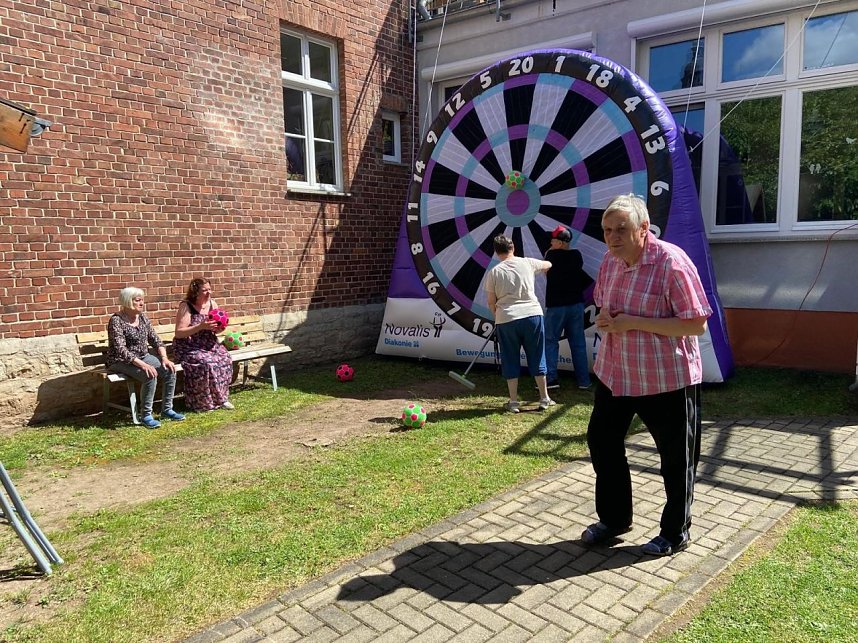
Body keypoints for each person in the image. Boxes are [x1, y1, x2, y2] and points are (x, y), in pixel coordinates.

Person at [581, 194, 712, 557]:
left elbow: (696, 323)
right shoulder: (610, 261)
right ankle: (615, 520)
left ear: (643, 228)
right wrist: (606, 319)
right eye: (607, 230)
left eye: (621, 229)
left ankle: (675, 532)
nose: (612, 237)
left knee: (675, 458)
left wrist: (632, 323)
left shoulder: (671, 262)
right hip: (617, 374)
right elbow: (605, 305)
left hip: (665, 379)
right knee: (602, 443)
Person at [484, 234, 554, 413]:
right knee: (537, 356)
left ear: (496, 251)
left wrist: (497, 314)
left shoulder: (494, 272)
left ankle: (513, 402)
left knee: (510, 358)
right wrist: (546, 263)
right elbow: (548, 264)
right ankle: (544, 398)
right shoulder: (527, 263)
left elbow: (491, 301)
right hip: (532, 315)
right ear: (512, 247)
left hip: (506, 318)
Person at [106, 287, 185, 428]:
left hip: (143, 356)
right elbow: (121, 350)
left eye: (142, 300)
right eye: (138, 300)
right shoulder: (116, 321)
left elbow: (155, 340)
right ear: (128, 301)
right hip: (120, 360)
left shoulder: (142, 317)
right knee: (149, 375)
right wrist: (143, 365)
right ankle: (146, 415)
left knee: (169, 370)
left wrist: (164, 358)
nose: (142, 303)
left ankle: (167, 410)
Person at [173, 278, 235, 412]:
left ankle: (221, 398)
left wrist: (219, 329)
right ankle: (203, 403)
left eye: (209, 289)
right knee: (206, 363)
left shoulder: (213, 304)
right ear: (195, 292)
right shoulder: (186, 306)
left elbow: (216, 327)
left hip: (209, 343)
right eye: (204, 290)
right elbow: (179, 333)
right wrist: (200, 326)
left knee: (225, 358)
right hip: (189, 345)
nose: (208, 293)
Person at [543, 225, 593, 391]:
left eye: (553, 239)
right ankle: (584, 381)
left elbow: (546, 272)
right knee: (578, 343)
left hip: (556, 306)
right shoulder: (576, 255)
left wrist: (551, 250)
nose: (550, 241)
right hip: (576, 305)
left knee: (550, 342)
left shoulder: (550, 255)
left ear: (562, 242)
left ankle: (551, 379)